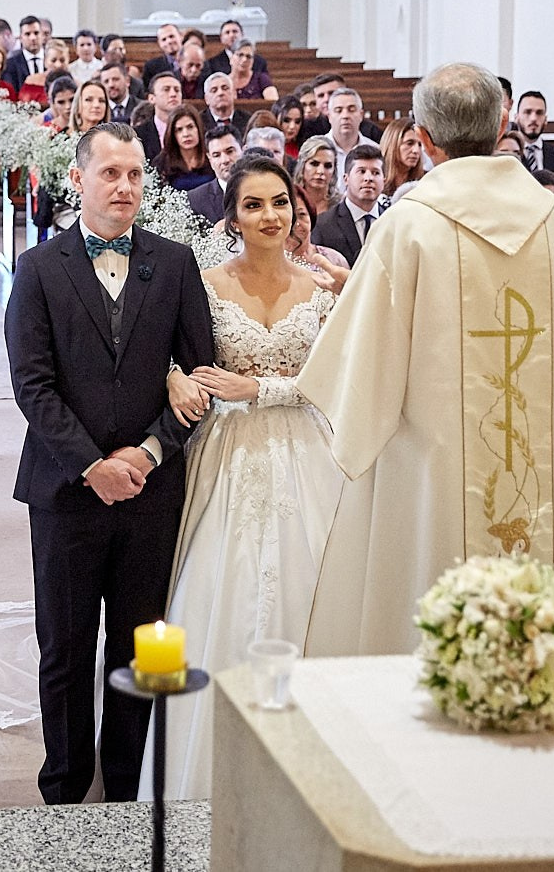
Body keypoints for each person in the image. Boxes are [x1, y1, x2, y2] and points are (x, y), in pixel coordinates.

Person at [296, 62, 554, 655]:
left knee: (435, 593)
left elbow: (362, 364)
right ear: (503, 124)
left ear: (421, 140)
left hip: (436, 465)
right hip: (551, 453)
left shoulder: (409, 225)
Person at [4, 122, 214, 804]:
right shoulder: (39, 268)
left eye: (134, 174)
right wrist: (94, 462)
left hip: (151, 491)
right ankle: (64, 788)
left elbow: (199, 373)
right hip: (67, 490)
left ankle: (125, 787)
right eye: (110, 173)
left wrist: (149, 452)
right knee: (65, 650)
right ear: (77, 179)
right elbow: (32, 385)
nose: (124, 186)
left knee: (139, 647)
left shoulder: (175, 262)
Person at [146, 158, 341, 800]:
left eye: (280, 203)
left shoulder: (320, 289)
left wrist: (259, 388)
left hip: (308, 450)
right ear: (232, 217)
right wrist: (177, 375)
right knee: (221, 585)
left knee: (314, 584)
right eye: (253, 205)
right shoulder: (201, 283)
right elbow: (166, 352)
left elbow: (333, 382)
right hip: (228, 454)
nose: (270, 217)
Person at [310, 143, 383, 265]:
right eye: (362, 171)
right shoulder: (323, 225)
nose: (369, 178)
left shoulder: (393, 220)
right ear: (346, 179)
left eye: (376, 173)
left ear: (384, 180)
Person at [185, 125, 243, 224]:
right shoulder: (195, 199)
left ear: (243, 150)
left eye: (230, 151)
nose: (225, 160)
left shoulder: (263, 188)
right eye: (216, 155)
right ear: (210, 159)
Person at [152, 107, 211, 192]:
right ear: (172, 134)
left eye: (190, 127)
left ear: (199, 128)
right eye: (179, 130)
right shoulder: (162, 162)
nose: (186, 134)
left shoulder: (211, 155)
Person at [377, 115, 427, 203]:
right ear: (393, 144)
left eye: (419, 144)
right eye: (409, 143)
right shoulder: (376, 178)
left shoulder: (426, 180)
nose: (416, 150)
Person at [292, 134, 338, 224]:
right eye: (314, 164)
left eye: (328, 166)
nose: (321, 171)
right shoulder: (289, 200)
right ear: (302, 166)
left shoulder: (341, 205)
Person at [1, 14, 49, 91]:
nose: (33, 38)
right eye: (27, 34)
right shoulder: (10, 64)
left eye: (36, 33)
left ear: (42, 35)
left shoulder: (52, 59)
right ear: (21, 38)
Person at [201, 72, 249, 141]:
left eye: (225, 88)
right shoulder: (199, 122)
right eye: (214, 90)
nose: (220, 93)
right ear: (206, 99)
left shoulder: (247, 120)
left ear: (234, 94)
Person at [139, 21, 183, 88]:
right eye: (164, 39)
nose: (169, 41)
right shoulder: (151, 67)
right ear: (159, 43)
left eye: (171, 36)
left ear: (181, 36)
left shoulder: (197, 61)